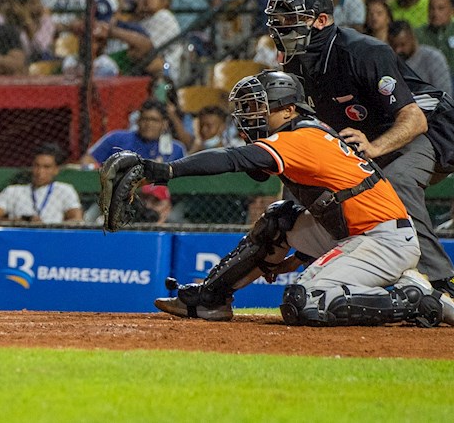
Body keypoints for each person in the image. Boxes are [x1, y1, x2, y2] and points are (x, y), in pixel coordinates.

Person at [108, 71, 454, 327]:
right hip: (353, 231)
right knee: (280, 219)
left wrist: (162, 171)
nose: (252, 116)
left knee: (304, 302)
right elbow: (331, 203)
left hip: (384, 239)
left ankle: (413, 298)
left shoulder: (301, 137)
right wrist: (298, 255)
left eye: (261, 108)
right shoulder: (303, 132)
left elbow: (233, 159)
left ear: (288, 110)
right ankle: (209, 299)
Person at [266, 0, 454, 295]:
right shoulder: (296, 65)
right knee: (333, 185)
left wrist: (373, 146)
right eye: (278, 22)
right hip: (371, 138)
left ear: (321, 20)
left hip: (429, 128)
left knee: (395, 182)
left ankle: (442, 281)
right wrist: (302, 253)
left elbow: (413, 118)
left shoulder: (363, 51)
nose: (281, 29)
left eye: (291, 21)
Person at [0, 143, 82, 224]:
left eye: (46, 167)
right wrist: (17, 221)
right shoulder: (13, 191)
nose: (40, 172)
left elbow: (77, 220)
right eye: (37, 166)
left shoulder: (65, 190)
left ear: (56, 170)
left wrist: (49, 226)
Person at [81, 99, 186, 167]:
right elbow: (88, 159)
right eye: (145, 119)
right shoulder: (117, 138)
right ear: (138, 121)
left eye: (154, 120)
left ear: (164, 124)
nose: (148, 124)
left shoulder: (175, 149)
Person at [387, 20, 453, 94]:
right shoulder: (389, 62)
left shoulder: (433, 58)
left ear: (412, 38)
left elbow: (445, 95)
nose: (398, 50)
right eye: (394, 46)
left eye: (402, 45)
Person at [417, 0, 454, 77]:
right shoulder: (418, 33)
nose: (435, 13)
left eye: (441, 8)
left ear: (451, 11)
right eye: (431, 8)